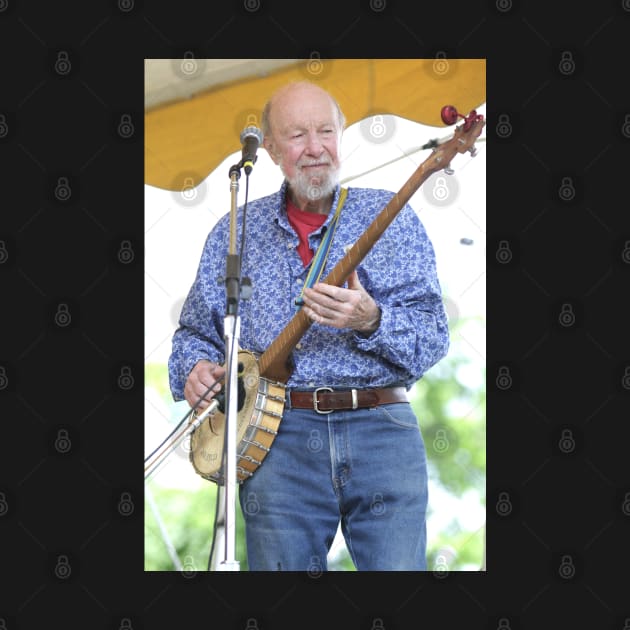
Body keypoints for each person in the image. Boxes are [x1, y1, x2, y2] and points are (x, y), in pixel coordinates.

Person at [168, 81, 450, 571]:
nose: (315, 147)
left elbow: (432, 336)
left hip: (381, 429)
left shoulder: (391, 215)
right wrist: (194, 367)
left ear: (341, 134)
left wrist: (371, 319)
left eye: (325, 130)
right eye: (297, 135)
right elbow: (195, 333)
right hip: (278, 439)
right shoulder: (235, 230)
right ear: (272, 149)